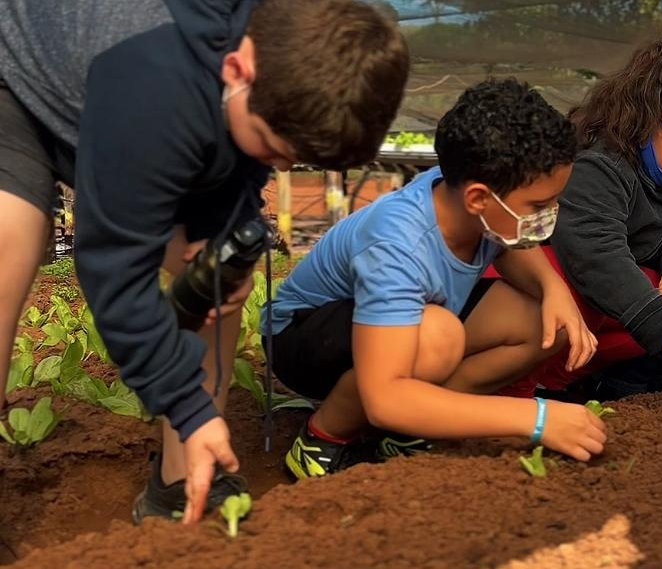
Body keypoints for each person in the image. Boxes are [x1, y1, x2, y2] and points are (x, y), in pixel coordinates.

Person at [0, 0, 409, 524]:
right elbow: (112, 270)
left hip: (137, 100)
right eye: (273, 149)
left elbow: (239, 160)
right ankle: (195, 434)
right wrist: (190, 410)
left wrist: (225, 231)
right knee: (13, 242)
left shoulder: (278, 47)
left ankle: (180, 486)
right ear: (238, 70)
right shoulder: (155, 83)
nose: (281, 167)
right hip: (18, 82)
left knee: (219, 275)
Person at [262, 78, 607, 479]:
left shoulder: (463, 200)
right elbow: (384, 397)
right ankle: (322, 440)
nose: (548, 215)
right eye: (538, 205)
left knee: (544, 323)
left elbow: (510, 242)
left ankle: (410, 430)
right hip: (301, 339)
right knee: (438, 337)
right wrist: (537, 417)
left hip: (391, 327)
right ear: (478, 198)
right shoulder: (398, 245)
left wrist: (553, 289)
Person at [503, 35, 662, 400]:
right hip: (575, 294)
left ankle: (625, 383)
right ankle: (567, 385)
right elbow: (601, 263)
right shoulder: (599, 166)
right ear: (647, 117)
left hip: (628, 294)